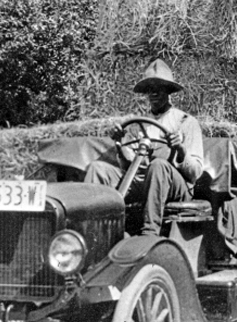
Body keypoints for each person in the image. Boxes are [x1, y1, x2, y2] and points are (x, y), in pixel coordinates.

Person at [85, 59, 204, 235]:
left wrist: (180, 149)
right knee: (97, 169)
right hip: (144, 181)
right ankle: (91, 231)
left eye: (159, 87)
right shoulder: (137, 125)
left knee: (158, 166)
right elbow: (129, 167)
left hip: (175, 186)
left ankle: (149, 232)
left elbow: (195, 174)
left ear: (169, 90)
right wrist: (119, 144)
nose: (154, 92)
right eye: (150, 88)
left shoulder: (185, 122)